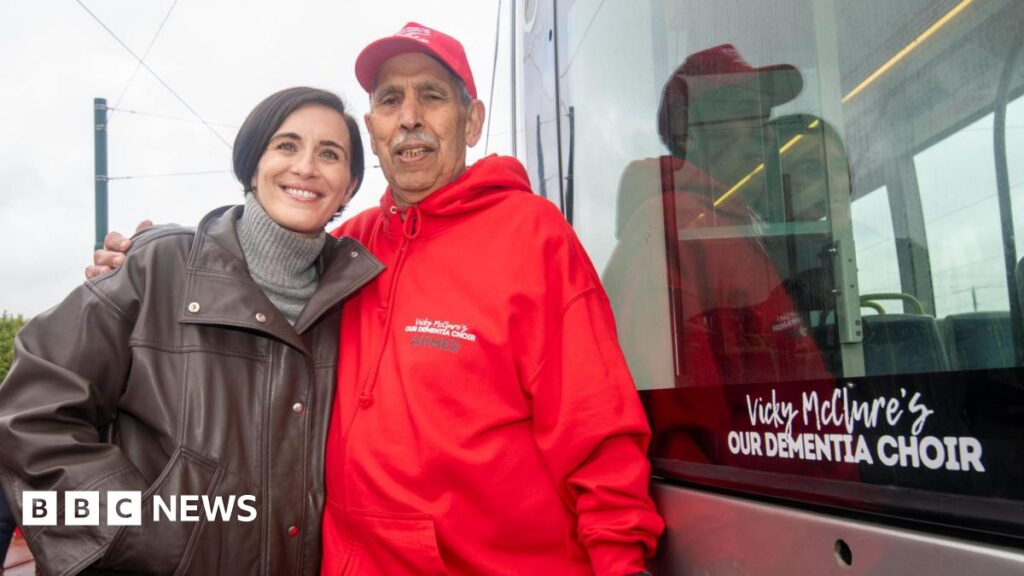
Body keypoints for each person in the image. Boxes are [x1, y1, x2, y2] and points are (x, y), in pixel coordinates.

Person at [93, 23, 663, 575]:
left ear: (472, 121)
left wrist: (621, 562)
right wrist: (149, 261)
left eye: (432, 96)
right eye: (391, 100)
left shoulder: (534, 236)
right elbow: (252, 264)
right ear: (373, 128)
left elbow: (597, 428)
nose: (409, 117)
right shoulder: (346, 249)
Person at [1, 86, 382, 575]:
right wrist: (142, 530)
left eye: (329, 154)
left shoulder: (354, 300)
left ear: (349, 185)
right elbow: (30, 413)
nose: (306, 167)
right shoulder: (159, 264)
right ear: (251, 163)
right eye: (286, 145)